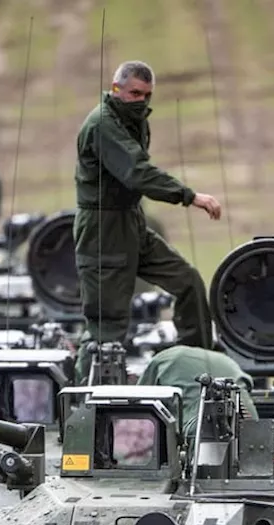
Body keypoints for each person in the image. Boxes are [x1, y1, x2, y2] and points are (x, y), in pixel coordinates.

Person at [73, 60, 222, 381]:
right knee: (106, 327)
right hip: (103, 231)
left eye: (147, 95)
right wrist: (189, 196)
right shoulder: (103, 125)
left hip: (131, 223)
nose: (141, 101)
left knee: (188, 283)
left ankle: (196, 369)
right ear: (116, 90)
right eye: (134, 93)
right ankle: (80, 403)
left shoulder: (132, 121)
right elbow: (136, 172)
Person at [138, 345, 258, 441]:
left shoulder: (163, 359)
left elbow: (137, 401)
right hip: (250, 429)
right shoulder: (225, 360)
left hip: (197, 432)